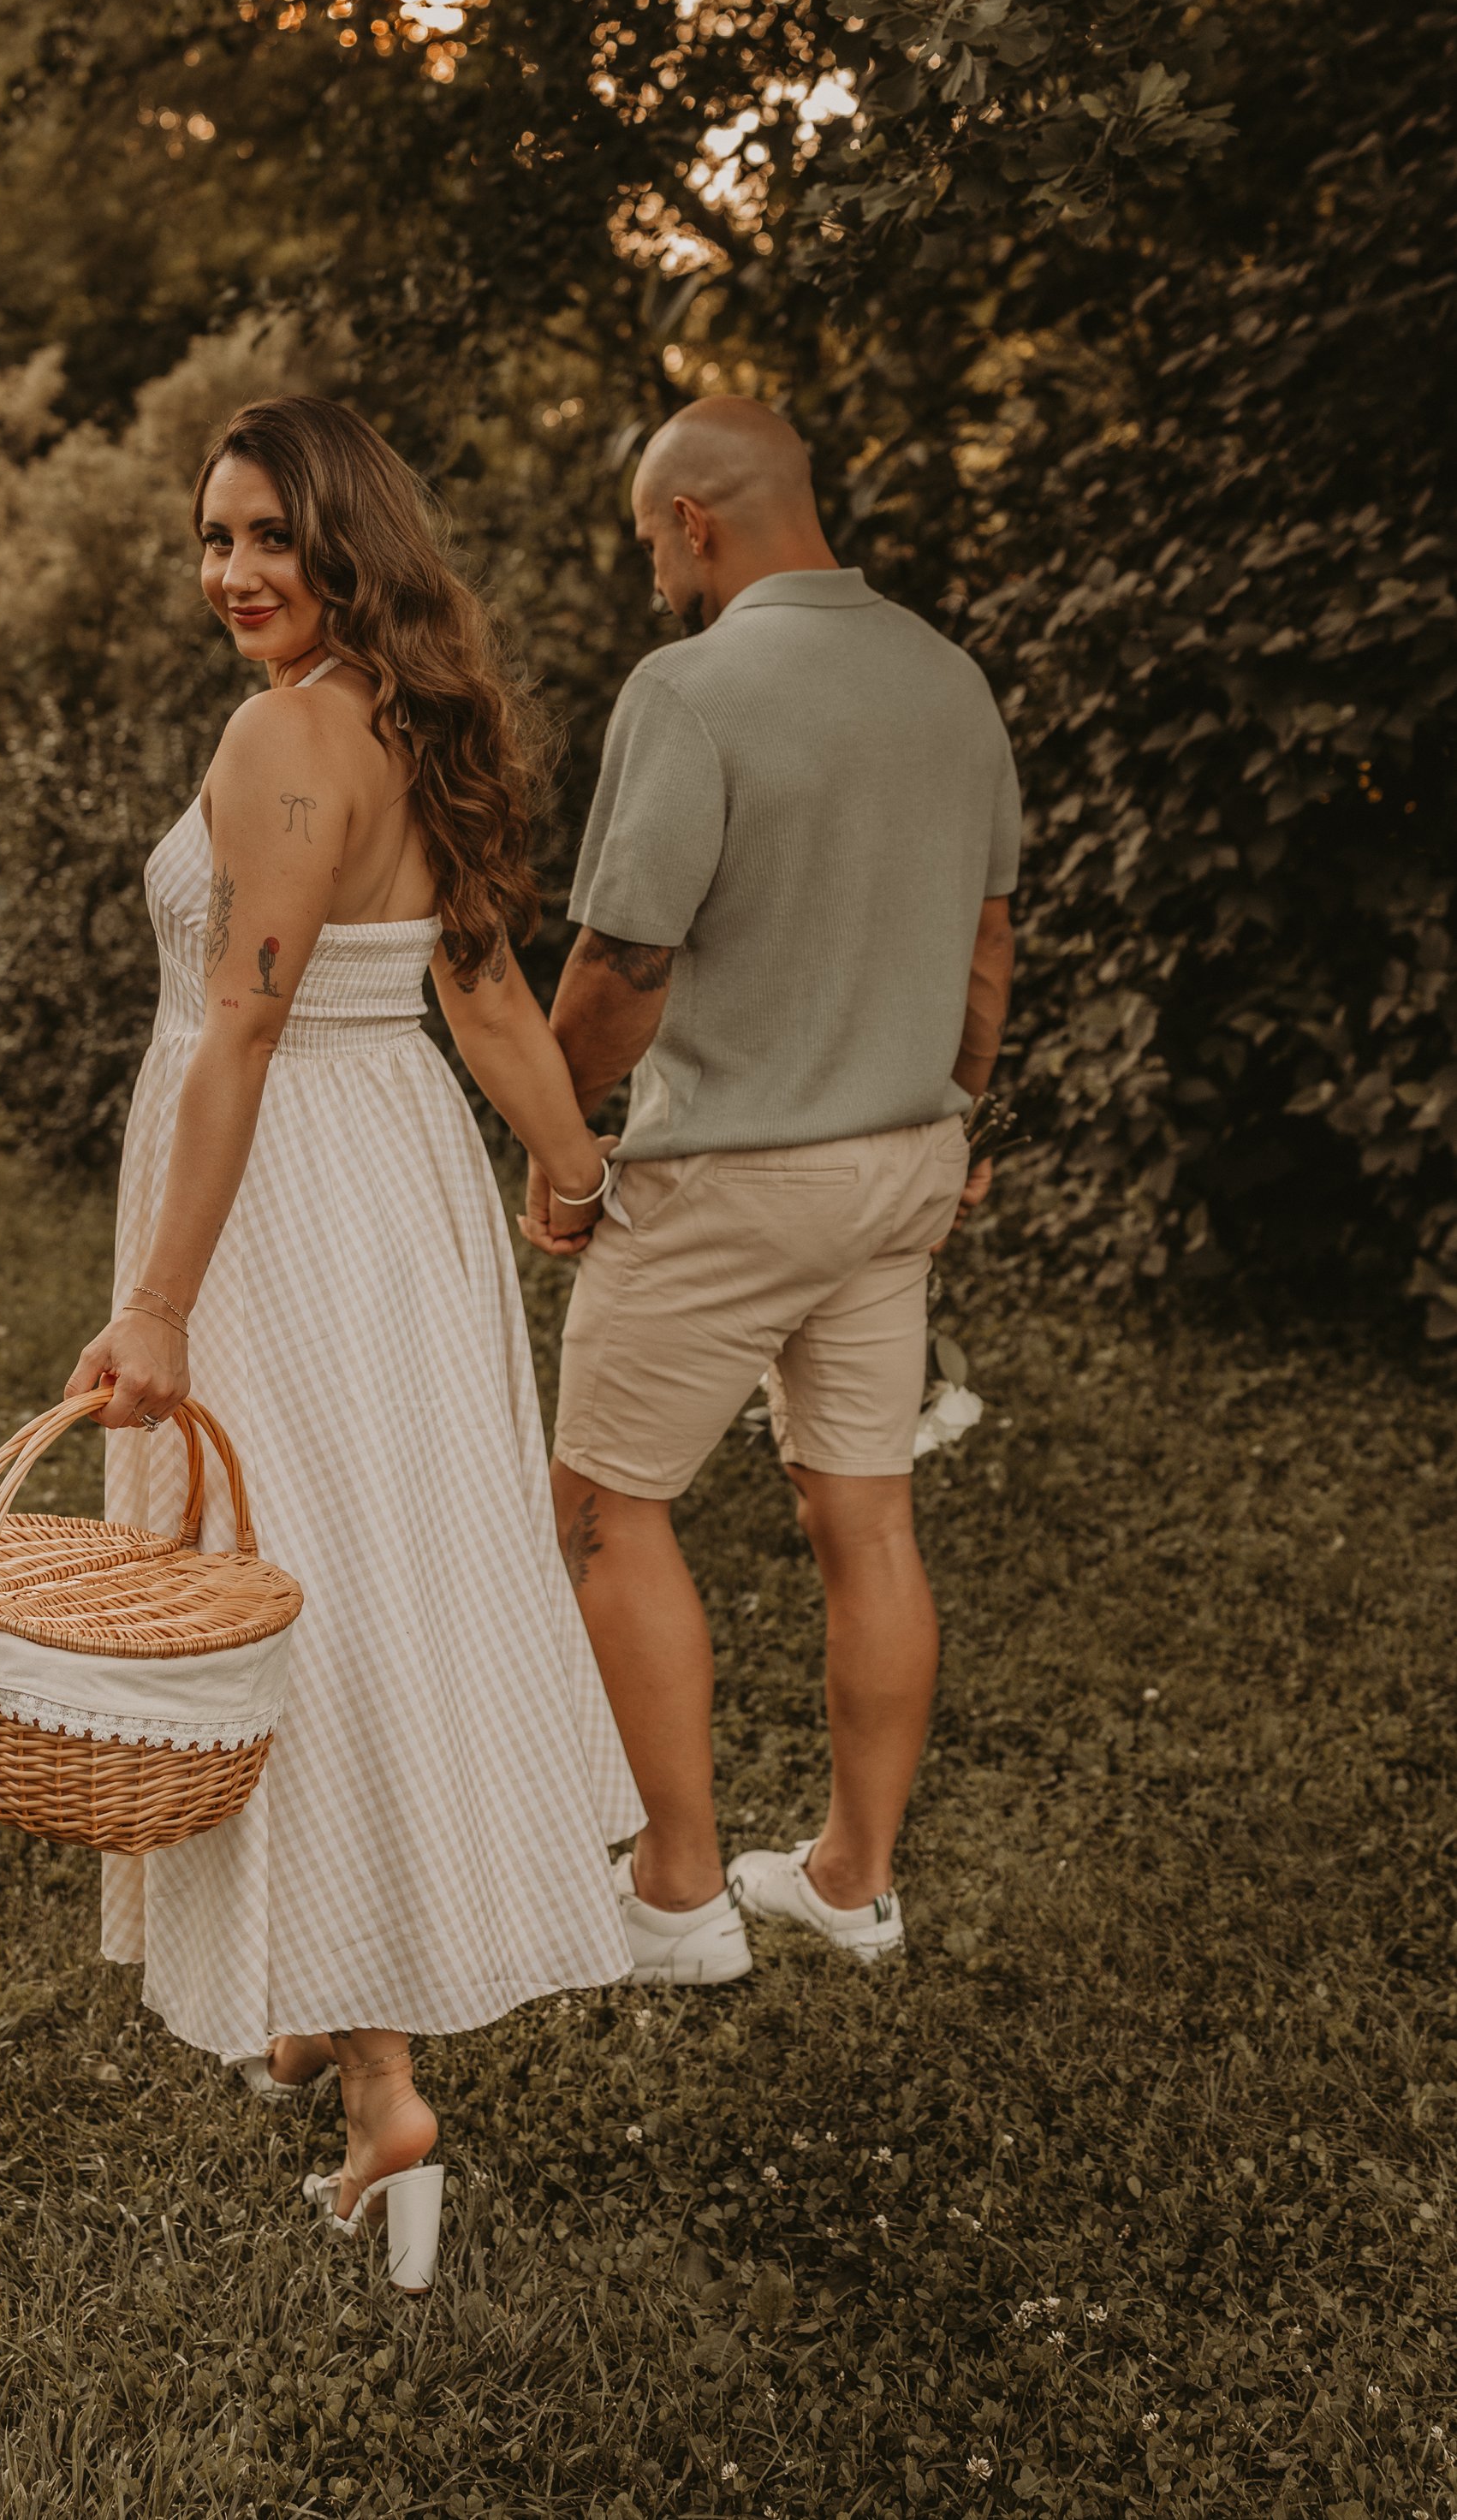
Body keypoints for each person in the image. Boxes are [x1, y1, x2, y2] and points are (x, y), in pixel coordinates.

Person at [67, 395, 640, 2292]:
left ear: (343, 547)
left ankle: (378, 2082)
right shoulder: (407, 720)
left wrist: (154, 1297)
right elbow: (471, 981)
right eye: (208, 539)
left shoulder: (280, 735)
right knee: (375, 1567)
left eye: (264, 539)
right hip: (390, 1182)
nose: (228, 574)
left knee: (288, 1576)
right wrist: (562, 1168)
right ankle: (330, 2003)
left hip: (286, 1201)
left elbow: (240, 1031)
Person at [521, 397, 1017, 1984]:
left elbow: (624, 959)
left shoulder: (691, 686)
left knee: (604, 1503)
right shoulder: (951, 676)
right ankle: (851, 1880)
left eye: (648, 544)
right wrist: (957, 1120)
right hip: (901, 1165)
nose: (654, 574)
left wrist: (556, 1134)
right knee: (864, 1512)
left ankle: (677, 1894)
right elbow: (989, 951)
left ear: (693, 524)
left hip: (736, 1173)